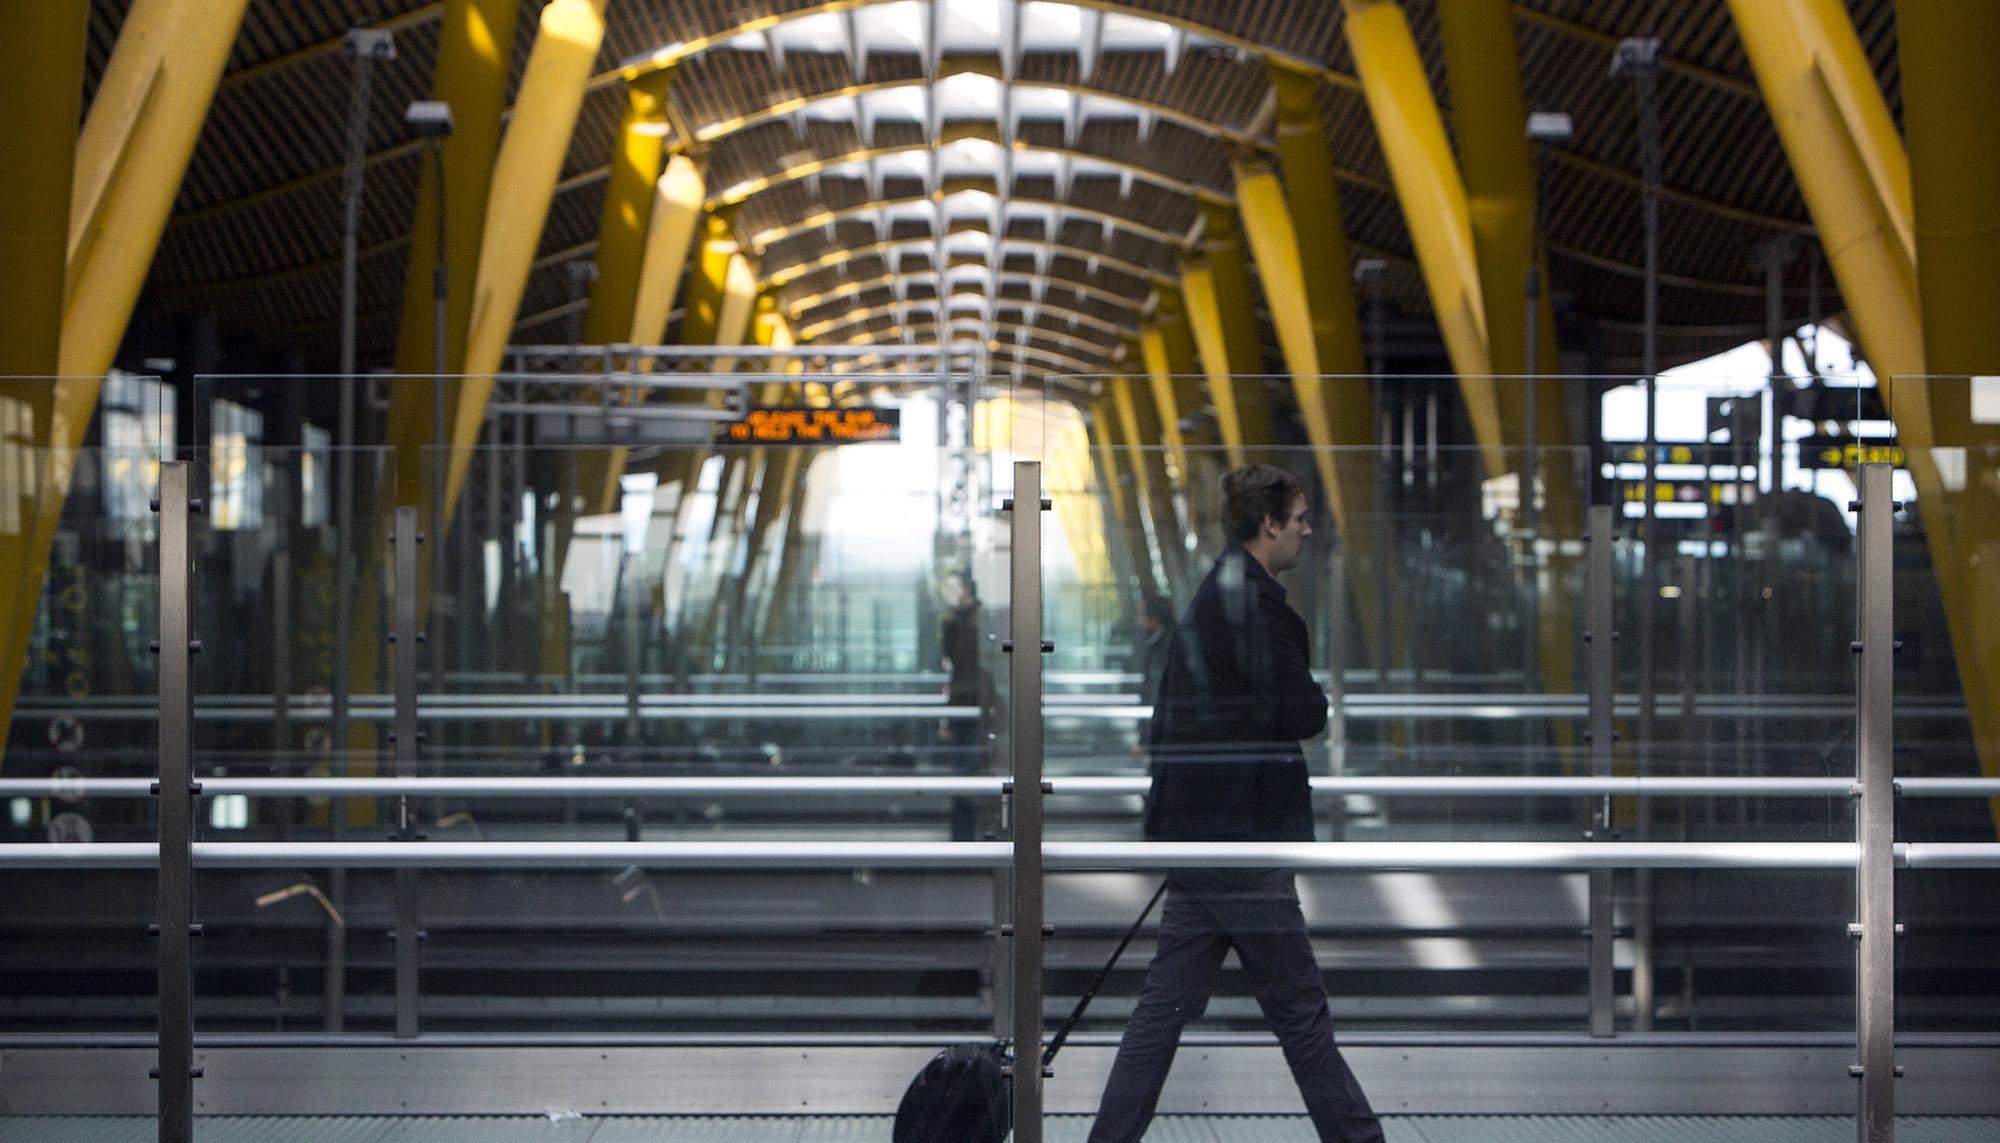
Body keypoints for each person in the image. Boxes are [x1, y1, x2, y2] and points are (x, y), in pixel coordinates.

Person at [1089, 465, 1384, 1143]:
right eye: (1301, 517)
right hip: (1241, 846)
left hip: (1206, 841)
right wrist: (1320, 698)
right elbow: (1301, 709)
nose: (1309, 529)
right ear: (1269, 523)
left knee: (1161, 1012)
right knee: (1300, 1012)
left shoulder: (1217, 592)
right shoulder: (1251, 605)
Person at [938, 573, 984, 841]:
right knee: (965, 772)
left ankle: (963, 839)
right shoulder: (961, 621)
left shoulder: (970, 625)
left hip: (968, 709)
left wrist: (951, 719)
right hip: (969, 707)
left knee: (964, 774)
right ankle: (964, 838)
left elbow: (963, 675)